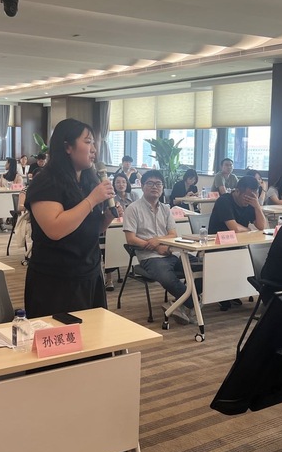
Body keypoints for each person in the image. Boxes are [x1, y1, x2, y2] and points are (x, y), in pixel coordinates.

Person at [24, 118, 119, 318]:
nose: (94, 149)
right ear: (68, 147)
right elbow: (55, 229)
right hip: (56, 279)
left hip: (90, 272)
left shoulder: (89, 180)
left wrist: (107, 218)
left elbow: (90, 229)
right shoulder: (46, 181)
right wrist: (92, 200)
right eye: (88, 142)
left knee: (94, 334)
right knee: (61, 335)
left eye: (94, 143)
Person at [123, 170, 199, 325]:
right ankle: (193, 304)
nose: (154, 187)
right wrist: (156, 247)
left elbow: (173, 234)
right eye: (150, 183)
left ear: (163, 187)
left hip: (172, 252)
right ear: (142, 186)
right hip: (150, 257)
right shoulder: (133, 208)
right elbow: (131, 239)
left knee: (201, 267)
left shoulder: (165, 208)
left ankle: (178, 304)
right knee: (167, 278)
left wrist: (158, 241)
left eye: (158, 184)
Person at [208, 175, 268, 310]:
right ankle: (223, 293)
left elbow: (261, 226)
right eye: (247, 196)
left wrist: (257, 206)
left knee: (256, 257)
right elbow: (234, 228)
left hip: (238, 246)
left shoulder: (251, 203)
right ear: (237, 191)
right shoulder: (224, 201)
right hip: (217, 247)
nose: (249, 199)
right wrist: (248, 230)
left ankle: (233, 292)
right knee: (236, 258)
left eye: (253, 196)